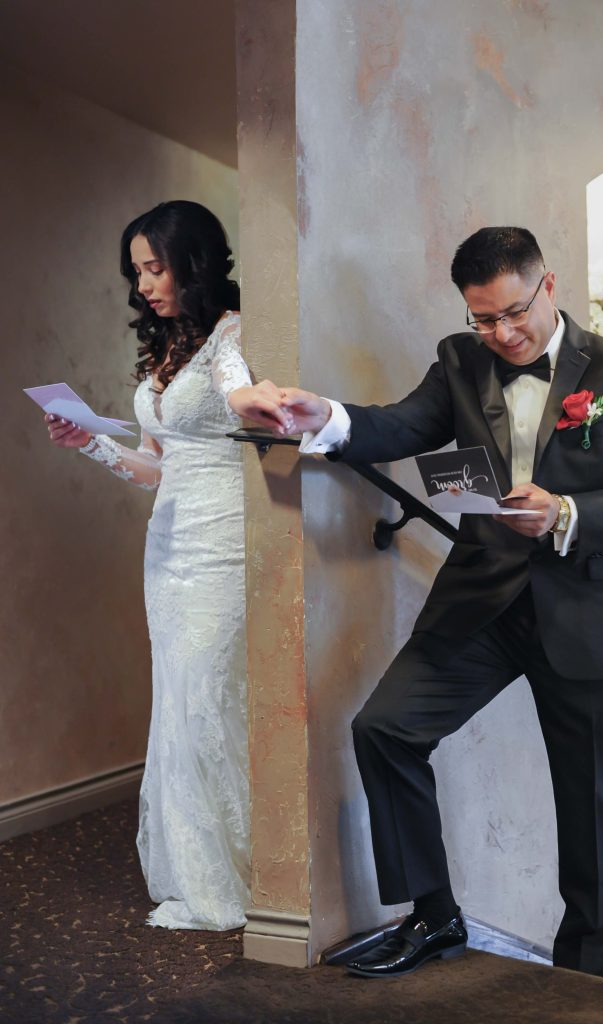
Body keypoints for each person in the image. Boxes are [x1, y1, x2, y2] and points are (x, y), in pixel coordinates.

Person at [230, 227, 603, 976]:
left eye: (511, 314)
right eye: (483, 319)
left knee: (590, 808)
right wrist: (324, 419)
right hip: (481, 606)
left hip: (588, 614)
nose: (500, 333)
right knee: (384, 729)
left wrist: (565, 514)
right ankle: (434, 918)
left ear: (548, 287)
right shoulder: (459, 359)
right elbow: (400, 426)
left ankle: (579, 981)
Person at [45, 200, 283, 931]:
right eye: (137, 270)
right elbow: (155, 467)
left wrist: (252, 400)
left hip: (222, 547)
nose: (145, 283)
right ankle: (195, 872)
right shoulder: (165, 348)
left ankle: (255, 875)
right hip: (169, 546)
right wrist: (86, 442)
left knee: (211, 699)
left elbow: (238, 388)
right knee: (179, 704)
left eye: (156, 266)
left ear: (195, 261)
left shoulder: (230, 333)